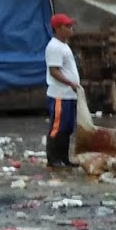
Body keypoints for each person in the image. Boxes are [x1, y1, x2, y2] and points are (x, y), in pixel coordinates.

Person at [44, 13, 81, 169]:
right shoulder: (54, 47)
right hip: (60, 94)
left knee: (67, 127)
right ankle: (53, 158)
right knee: (57, 127)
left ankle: (64, 157)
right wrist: (70, 83)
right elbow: (54, 71)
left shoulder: (64, 46)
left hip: (68, 94)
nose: (70, 29)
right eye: (67, 26)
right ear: (57, 28)